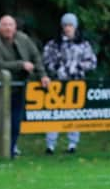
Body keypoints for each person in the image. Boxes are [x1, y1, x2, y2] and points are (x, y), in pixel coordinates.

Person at [0, 15, 50, 157]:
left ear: (15, 27)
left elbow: (36, 56)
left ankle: (10, 152)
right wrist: (21, 65)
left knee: (15, 123)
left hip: (20, 87)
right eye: (4, 25)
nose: (8, 28)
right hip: (0, 89)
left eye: (10, 25)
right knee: (0, 123)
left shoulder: (23, 38)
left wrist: (43, 75)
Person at [42, 13, 97, 154]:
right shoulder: (54, 43)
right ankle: (50, 145)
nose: (68, 28)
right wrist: (58, 69)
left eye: (70, 25)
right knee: (54, 113)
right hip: (57, 83)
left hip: (76, 83)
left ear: (75, 26)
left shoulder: (83, 44)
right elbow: (46, 60)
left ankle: (72, 144)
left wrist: (77, 67)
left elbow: (92, 62)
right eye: (65, 25)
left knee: (74, 113)